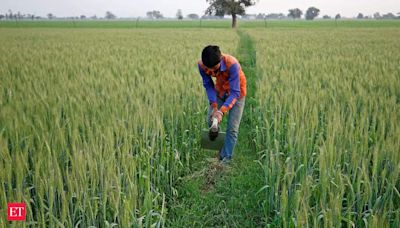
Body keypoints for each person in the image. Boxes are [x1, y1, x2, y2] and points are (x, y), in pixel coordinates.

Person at [198, 45, 247, 164]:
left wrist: (221, 111)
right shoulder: (201, 65)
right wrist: (214, 106)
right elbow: (208, 85)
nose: (212, 72)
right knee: (211, 120)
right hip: (220, 91)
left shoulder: (232, 64)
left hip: (237, 93)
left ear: (220, 60)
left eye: (215, 69)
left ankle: (226, 160)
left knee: (232, 129)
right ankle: (220, 152)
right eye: (209, 70)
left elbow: (235, 92)